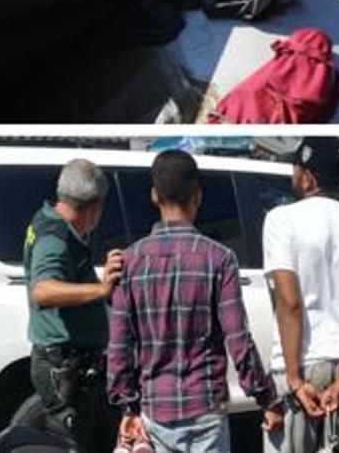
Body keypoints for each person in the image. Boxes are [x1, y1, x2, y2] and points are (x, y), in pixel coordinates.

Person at [107, 151, 281, 453]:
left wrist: (127, 406)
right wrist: (266, 397)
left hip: (153, 411)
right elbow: (238, 341)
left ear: (153, 195)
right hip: (205, 410)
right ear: (198, 196)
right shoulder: (220, 258)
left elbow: (119, 347)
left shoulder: (129, 261)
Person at [263, 138, 339, 453]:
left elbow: (289, 304)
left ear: (307, 176)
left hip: (300, 364)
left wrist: (293, 379)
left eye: (296, 167)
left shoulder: (281, 219)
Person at [23, 159, 123, 451]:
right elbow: (42, 290)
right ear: (94, 205)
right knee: (71, 444)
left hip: (71, 363)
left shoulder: (48, 221)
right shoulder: (55, 236)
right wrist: (101, 288)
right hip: (63, 365)